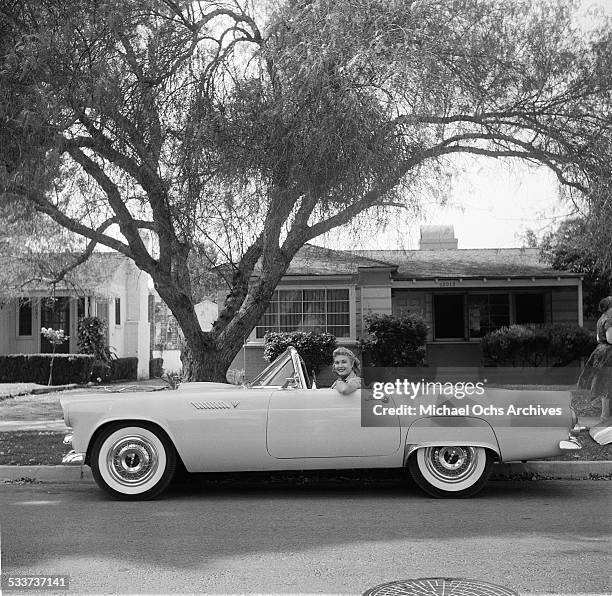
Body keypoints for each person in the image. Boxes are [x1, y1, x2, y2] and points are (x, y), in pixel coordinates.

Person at [578, 296, 612, 423]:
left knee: (604, 383)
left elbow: (598, 338)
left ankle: (605, 415)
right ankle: (605, 416)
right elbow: (610, 339)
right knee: (607, 384)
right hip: (609, 354)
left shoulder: (601, 319)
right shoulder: (609, 320)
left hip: (601, 352)